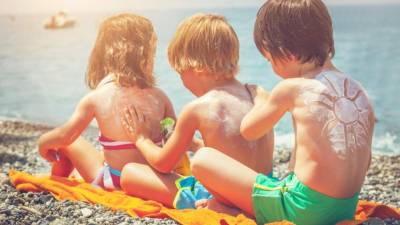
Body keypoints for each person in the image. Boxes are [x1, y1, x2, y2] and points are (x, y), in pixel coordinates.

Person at [188, 0, 375, 224]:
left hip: (302, 211)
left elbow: (248, 130)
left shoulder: (291, 88)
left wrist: (260, 97)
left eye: (269, 60)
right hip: (345, 208)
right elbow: (365, 160)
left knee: (202, 159)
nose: (272, 68)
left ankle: (238, 211)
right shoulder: (358, 91)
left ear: (286, 52)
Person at [119, 13, 274, 210]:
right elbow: (235, 151)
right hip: (264, 194)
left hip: (227, 199)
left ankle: (203, 205)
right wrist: (194, 145)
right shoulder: (254, 92)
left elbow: (163, 163)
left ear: (195, 66)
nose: (182, 82)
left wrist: (141, 138)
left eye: (180, 73)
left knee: (130, 173)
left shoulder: (198, 108)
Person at [38, 13, 181, 190]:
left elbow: (65, 136)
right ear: (146, 56)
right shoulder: (160, 97)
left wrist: (42, 143)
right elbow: (173, 139)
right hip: (154, 180)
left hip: (115, 181)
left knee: (69, 143)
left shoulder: (96, 98)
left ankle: (57, 183)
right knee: (100, 153)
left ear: (105, 55)